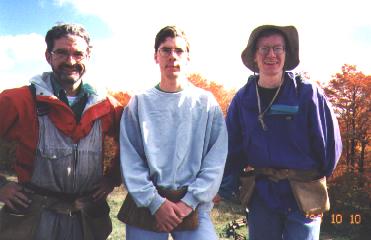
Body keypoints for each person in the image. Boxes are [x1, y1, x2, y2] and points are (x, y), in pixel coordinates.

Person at [218, 25, 342, 240]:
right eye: (264, 49)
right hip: (263, 195)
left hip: (304, 195)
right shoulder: (243, 99)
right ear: (255, 56)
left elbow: (329, 144)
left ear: (286, 54)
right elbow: (232, 149)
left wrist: (317, 179)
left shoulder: (307, 93)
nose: (271, 55)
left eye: (278, 48)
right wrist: (223, 187)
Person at [0, 23, 123, 240]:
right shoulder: (19, 100)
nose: (71, 61)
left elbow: (134, 149)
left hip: (86, 219)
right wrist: (1, 185)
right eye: (61, 53)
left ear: (89, 55)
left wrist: (113, 177)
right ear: (48, 56)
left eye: (78, 53)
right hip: (34, 218)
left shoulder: (108, 107)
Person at [118, 25, 228, 240]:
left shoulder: (206, 103)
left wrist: (189, 202)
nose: (172, 56)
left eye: (179, 51)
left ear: (188, 57)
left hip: (191, 204)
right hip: (147, 204)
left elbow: (216, 159)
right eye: (165, 50)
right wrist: (155, 203)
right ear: (155, 56)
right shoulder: (139, 103)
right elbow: (130, 160)